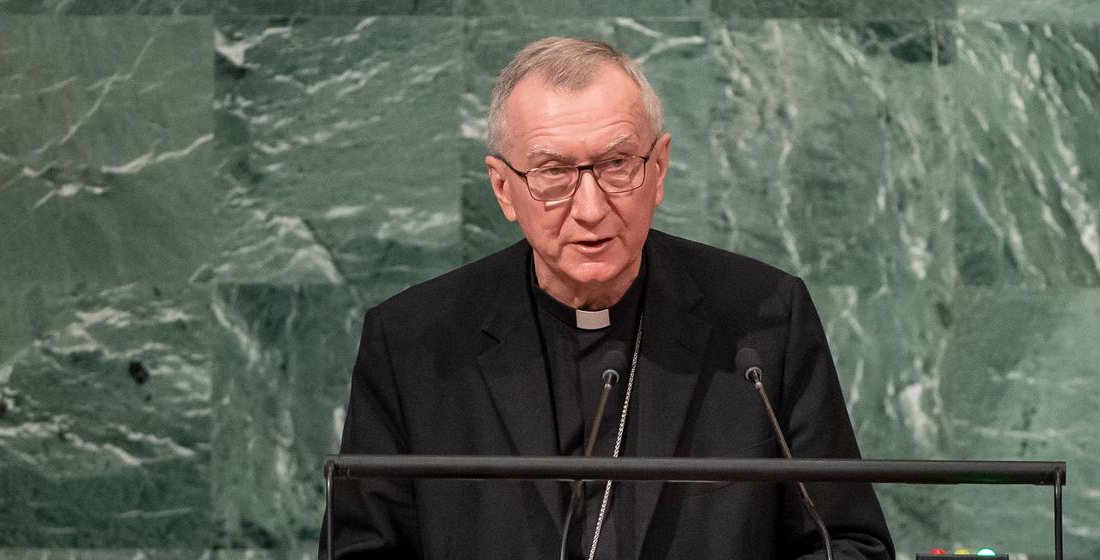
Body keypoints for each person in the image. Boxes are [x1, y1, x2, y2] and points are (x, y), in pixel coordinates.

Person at [322, 36, 894, 559]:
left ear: (660, 168)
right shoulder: (413, 342)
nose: (591, 208)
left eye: (618, 164)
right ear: (503, 187)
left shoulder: (763, 319)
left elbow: (845, 543)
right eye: (553, 172)